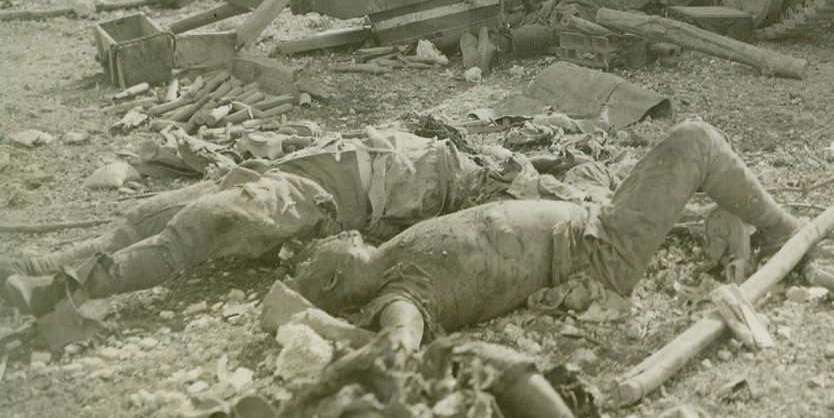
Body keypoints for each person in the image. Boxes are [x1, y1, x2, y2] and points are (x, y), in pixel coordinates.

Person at [285, 121, 806, 350]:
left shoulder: (393, 260)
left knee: (682, 162)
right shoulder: (399, 296)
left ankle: (765, 222)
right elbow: (400, 345)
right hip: (595, 254)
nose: (348, 238)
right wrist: (317, 327)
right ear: (335, 279)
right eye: (335, 250)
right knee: (696, 142)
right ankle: (785, 232)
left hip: (590, 224)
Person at [0, 127, 489, 316]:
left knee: (198, 227)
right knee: (146, 217)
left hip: (307, 199)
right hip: (272, 172)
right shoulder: (417, 144)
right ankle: (34, 265)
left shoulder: (449, 189)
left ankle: (62, 289)